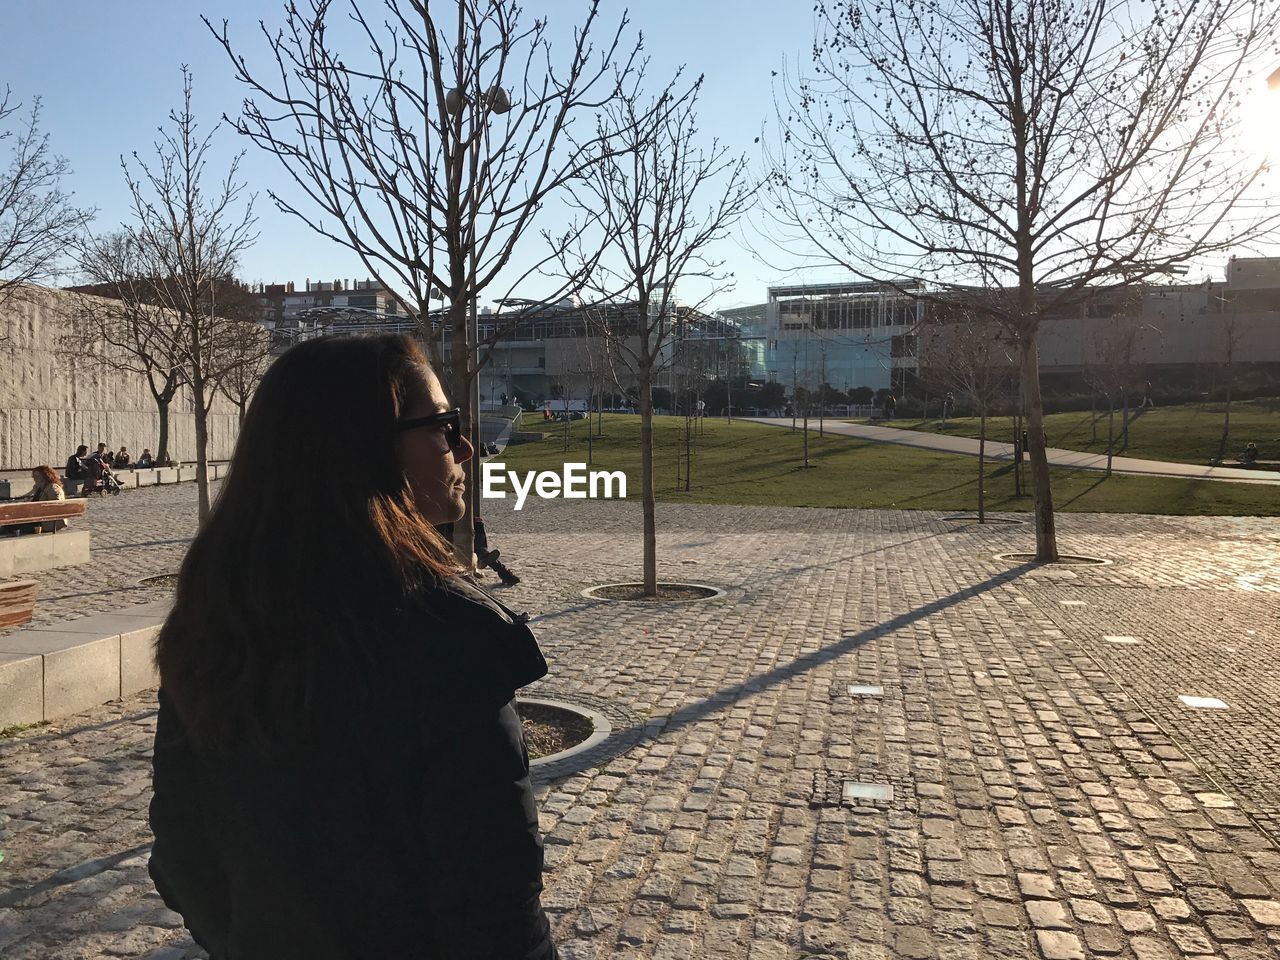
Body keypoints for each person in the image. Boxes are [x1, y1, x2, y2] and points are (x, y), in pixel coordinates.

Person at [148, 333, 558, 959]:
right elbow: (496, 913)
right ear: (367, 452)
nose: (465, 449)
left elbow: (181, 856)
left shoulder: (213, 623)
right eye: (445, 427)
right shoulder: (451, 643)